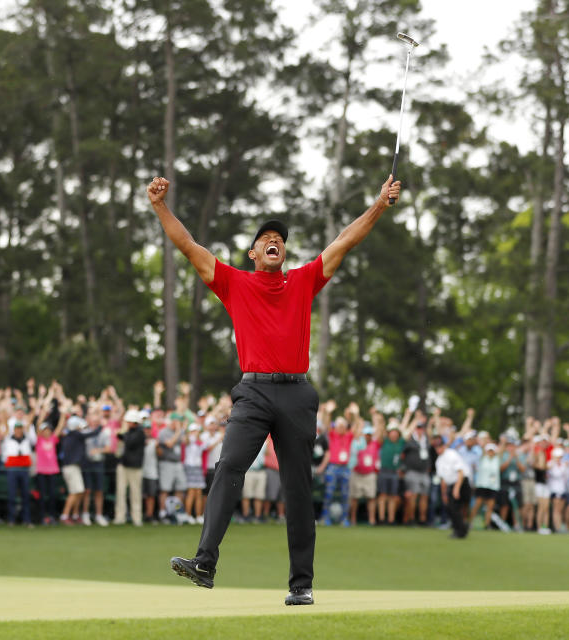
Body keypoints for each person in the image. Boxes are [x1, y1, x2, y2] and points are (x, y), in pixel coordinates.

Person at [153, 171, 401, 605]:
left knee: (297, 488)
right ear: (253, 252)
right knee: (229, 466)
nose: (274, 241)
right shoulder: (234, 283)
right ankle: (205, 563)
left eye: (279, 239)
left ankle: (300, 585)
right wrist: (159, 206)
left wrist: (380, 203)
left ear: (283, 251)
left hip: (297, 394)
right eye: (266, 237)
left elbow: (345, 240)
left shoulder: (303, 280)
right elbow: (189, 247)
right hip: (253, 393)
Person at [433, 435, 471, 539]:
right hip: (452, 484)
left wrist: (456, 489)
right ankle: (460, 528)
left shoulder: (451, 454)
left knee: (455, 508)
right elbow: (443, 480)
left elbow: (460, 472)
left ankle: (460, 530)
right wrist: (444, 494)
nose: (438, 449)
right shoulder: (438, 461)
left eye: (440, 446)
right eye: (436, 447)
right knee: (451, 507)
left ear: (444, 446)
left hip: (461, 483)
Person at [113, 409, 146, 526]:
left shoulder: (140, 433)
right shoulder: (128, 433)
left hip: (135, 467)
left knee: (135, 493)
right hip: (123, 466)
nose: (127, 423)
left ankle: (137, 518)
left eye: (129, 421)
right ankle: (120, 517)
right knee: (120, 492)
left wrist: (121, 433)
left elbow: (129, 442)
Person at [1, 421, 35, 527]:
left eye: (20, 428)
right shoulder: (8, 439)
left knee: (25, 495)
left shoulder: (27, 439)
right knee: (12, 495)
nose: (19, 430)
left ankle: (27, 520)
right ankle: (11, 519)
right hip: (12, 469)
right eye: (17, 428)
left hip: (24, 469)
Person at [348, 424, 380, 526]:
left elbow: (381, 431)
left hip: (370, 474)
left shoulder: (375, 444)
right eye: (366, 434)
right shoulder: (357, 443)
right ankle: (353, 519)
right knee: (354, 497)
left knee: (371, 497)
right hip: (357, 472)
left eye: (370, 434)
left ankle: (372, 520)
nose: (368, 436)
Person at [376, 420, 405, 525]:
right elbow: (379, 433)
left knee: (393, 496)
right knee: (382, 495)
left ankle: (391, 519)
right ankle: (381, 519)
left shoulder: (401, 442)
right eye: (392, 432)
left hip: (394, 472)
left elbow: (406, 430)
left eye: (395, 432)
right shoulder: (385, 441)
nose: (394, 434)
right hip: (384, 470)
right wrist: (380, 422)